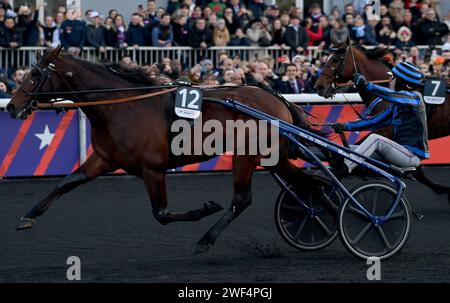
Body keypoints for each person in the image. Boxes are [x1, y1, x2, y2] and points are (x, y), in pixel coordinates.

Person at [332, 62, 429, 175]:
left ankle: (345, 168)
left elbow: (390, 95)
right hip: (398, 153)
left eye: (393, 77)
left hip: (411, 157)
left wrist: (366, 84)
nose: (389, 80)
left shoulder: (416, 97)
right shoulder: (396, 106)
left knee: (376, 139)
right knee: (339, 149)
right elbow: (374, 122)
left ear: (407, 85)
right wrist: (346, 126)